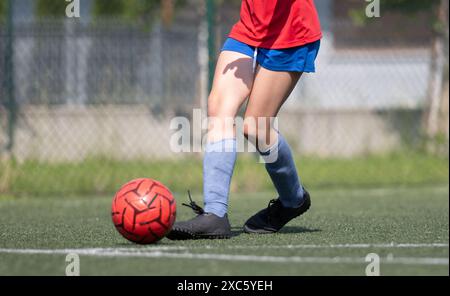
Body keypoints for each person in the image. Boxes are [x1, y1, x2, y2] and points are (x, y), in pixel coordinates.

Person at [168, 0, 322, 240]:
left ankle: (293, 200)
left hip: (289, 31)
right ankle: (215, 215)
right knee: (218, 110)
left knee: (256, 128)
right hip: (250, 26)